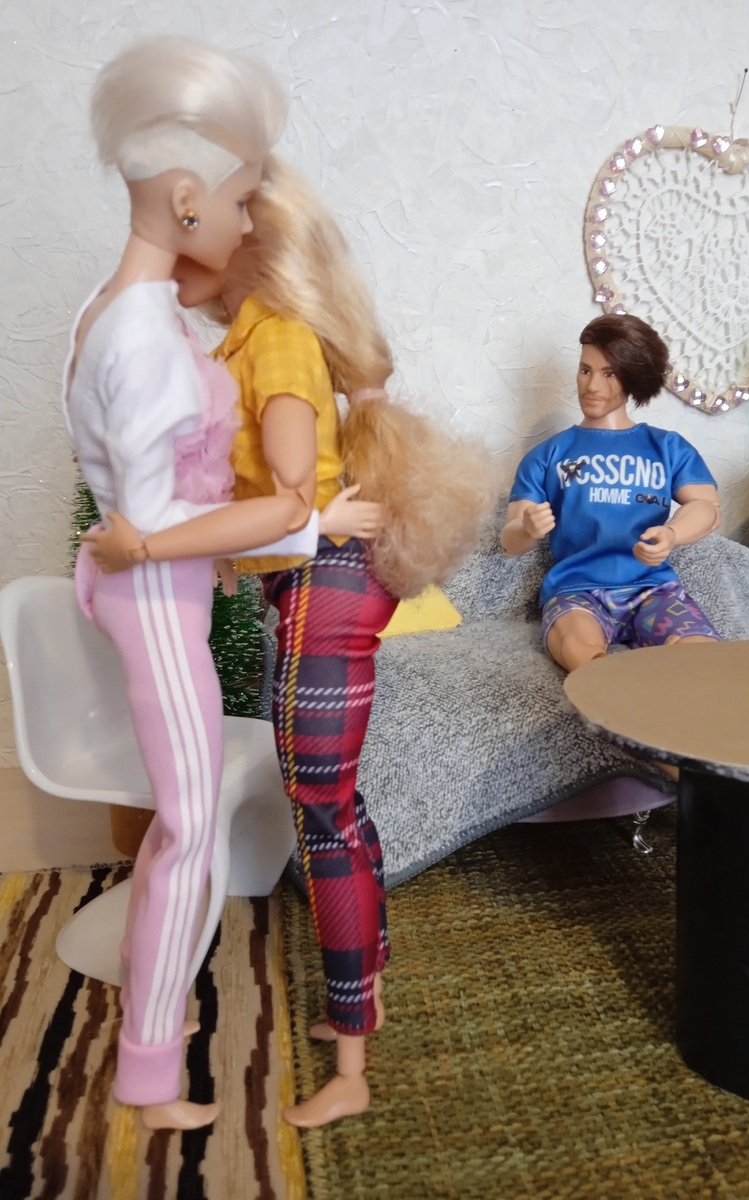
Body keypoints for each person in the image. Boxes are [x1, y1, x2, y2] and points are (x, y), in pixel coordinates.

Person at [86, 154, 498, 1127]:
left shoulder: (274, 341)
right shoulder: (251, 343)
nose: (187, 242)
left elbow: (287, 501)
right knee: (335, 807)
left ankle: (352, 1065)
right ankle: (365, 996)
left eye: (211, 221)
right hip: (313, 584)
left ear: (251, 249)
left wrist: (152, 545)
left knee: (323, 812)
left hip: (325, 588)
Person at [66, 37, 378, 1133]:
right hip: (157, 604)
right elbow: (215, 517)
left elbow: (166, 507)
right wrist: (156, 552)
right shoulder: (148, 337)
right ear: (187, 199)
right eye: (241, 200)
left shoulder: (118, 310)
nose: (250, 224)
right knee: (190, 827)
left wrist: (156, 547)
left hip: (163, 594)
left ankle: (152, 1047)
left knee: (187, 824)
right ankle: (149, 1073)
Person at [500, 314, 722, 672]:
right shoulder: (548, 455)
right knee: (578, 649)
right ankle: (614, 697)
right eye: (585, 370)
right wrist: (526, 528)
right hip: (575, 591)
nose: (592, 385)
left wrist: (672, 533)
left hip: (652, 590)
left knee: (704, 657)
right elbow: (509, 543)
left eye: (609, 373)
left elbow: (707, 507)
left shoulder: (667, 447)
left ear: (633, 377)